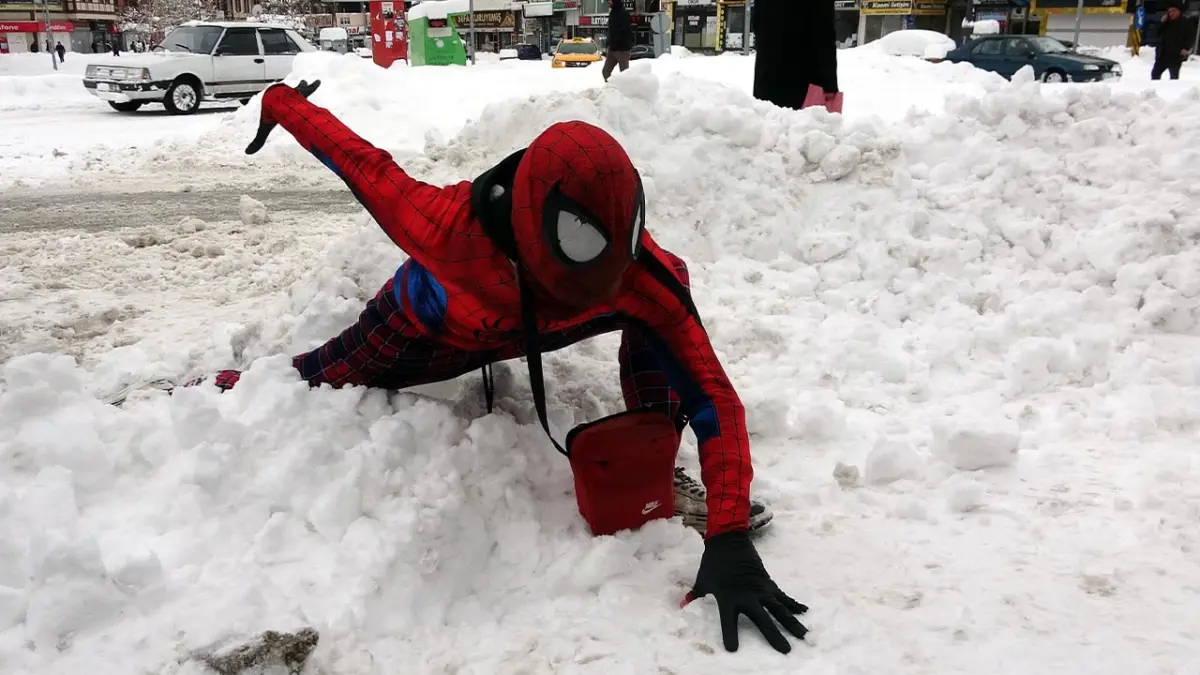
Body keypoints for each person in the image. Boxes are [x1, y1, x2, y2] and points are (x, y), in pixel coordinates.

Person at [189, 79, 809, 654]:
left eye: (615, 254)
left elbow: (712, 396)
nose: (610, 277)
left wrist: (729, 534)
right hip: (426, 330)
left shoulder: (638, 277)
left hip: (534, 326)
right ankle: (219, 386)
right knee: (318, 376)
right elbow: (359, 160)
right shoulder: (445, 228)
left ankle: (652, 469)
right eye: (584, 251)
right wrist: (280, 101)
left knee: (662, 307)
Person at [752, 0, 841, 112]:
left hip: (767, 77)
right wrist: (829, 84)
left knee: (768, 119)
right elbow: (824, 34)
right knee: (802, 121)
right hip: (804, 83)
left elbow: (757, 22)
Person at [1153, 0, 1193, 81]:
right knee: (1155, 74)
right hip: (1163, 54)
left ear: (1179, 11)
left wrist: (1186, 48)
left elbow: (1190, 37)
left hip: (1176, 54)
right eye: (1169, 12)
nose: (1171, 13)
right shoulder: (1167, 22)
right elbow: (1157, 33)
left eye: (1173, 11)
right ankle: (1155, 88)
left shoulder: (1186, 22)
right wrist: (1162, 22)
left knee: (1173, 77)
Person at [602, 0, 633, 82]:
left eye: (609, 1)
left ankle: (626, 89)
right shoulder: (612, 13)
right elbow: (611, 31)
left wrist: (618, 40)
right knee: (605, 72)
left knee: (624, 74)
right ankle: (611, 88)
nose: (608, 2)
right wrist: (609, 42)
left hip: (622, 50)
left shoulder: (624, 14)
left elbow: (626, 31)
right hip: (612, 49)